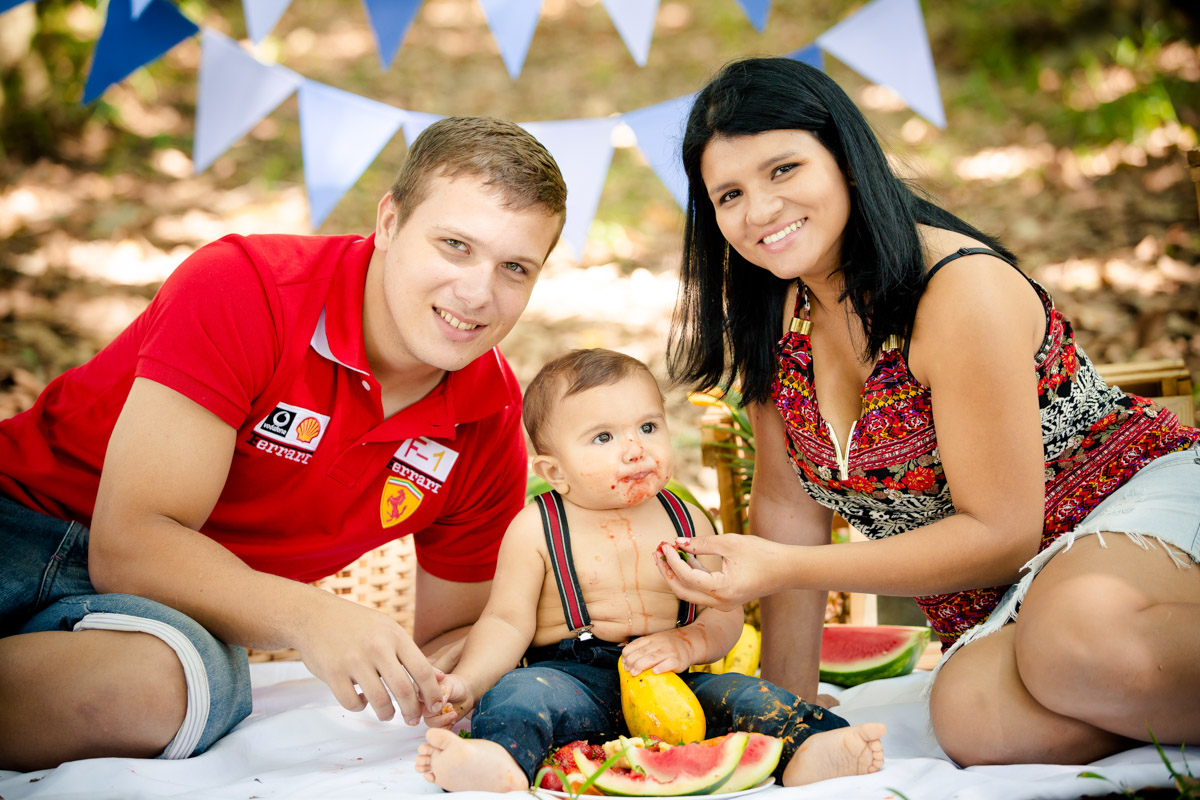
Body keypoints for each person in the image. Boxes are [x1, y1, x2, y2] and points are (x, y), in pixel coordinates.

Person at [656, 57, 1200, 767]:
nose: (758, 212)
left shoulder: (955, 289)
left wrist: (786, 567)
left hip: (1126, 510)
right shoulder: (772, 313)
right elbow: (788, 510)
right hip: (1011, 599)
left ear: (845, 161)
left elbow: (1003, 532)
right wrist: (785, 717)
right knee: (972, 719)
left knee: (1074, 640)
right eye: (729, 194)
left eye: (783, 170)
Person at [0, 116, 568, 771]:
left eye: (515, 267)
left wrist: (452, 679)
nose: (477, 293)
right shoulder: (248, 287)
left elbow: (451, 635)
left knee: (167, 692)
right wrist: (312, 618)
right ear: (389, 224)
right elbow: (128, 544)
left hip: (162, 612)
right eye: (455, 246)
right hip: (23, 516)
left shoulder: (489, 416)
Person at [413, 348, 886, 793]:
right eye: (604, 437)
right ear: (555, 472)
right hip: (570, 681)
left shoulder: (687, 521)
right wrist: (469, 683)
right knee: (518, 695)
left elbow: (723, 616)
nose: (635, 449)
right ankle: (499, 760)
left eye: (647, 427)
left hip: (678, 680)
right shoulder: (536, 528)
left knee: (749, 696)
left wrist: (686, 644)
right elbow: (504, 622)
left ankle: (812, 749)